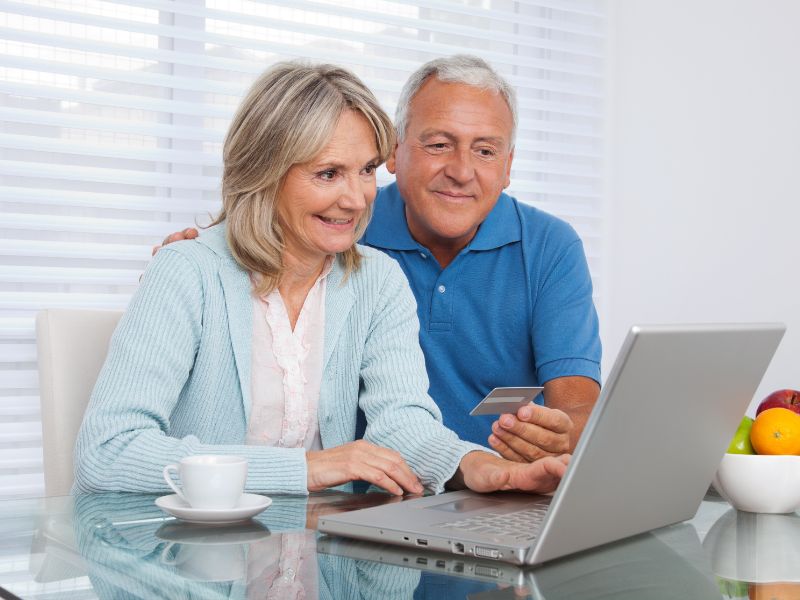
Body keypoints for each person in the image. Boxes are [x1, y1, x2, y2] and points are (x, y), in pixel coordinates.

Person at [74, 61, 569, 498]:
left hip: (314, 556)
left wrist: (480, 467)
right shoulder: (187, 271)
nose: (356, 200)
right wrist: (307, 469)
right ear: (265, 173)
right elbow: (109, 450)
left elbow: (402, 422)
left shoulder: (377, 281)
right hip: (185, 563)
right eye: (328, 174)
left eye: (366, 171)